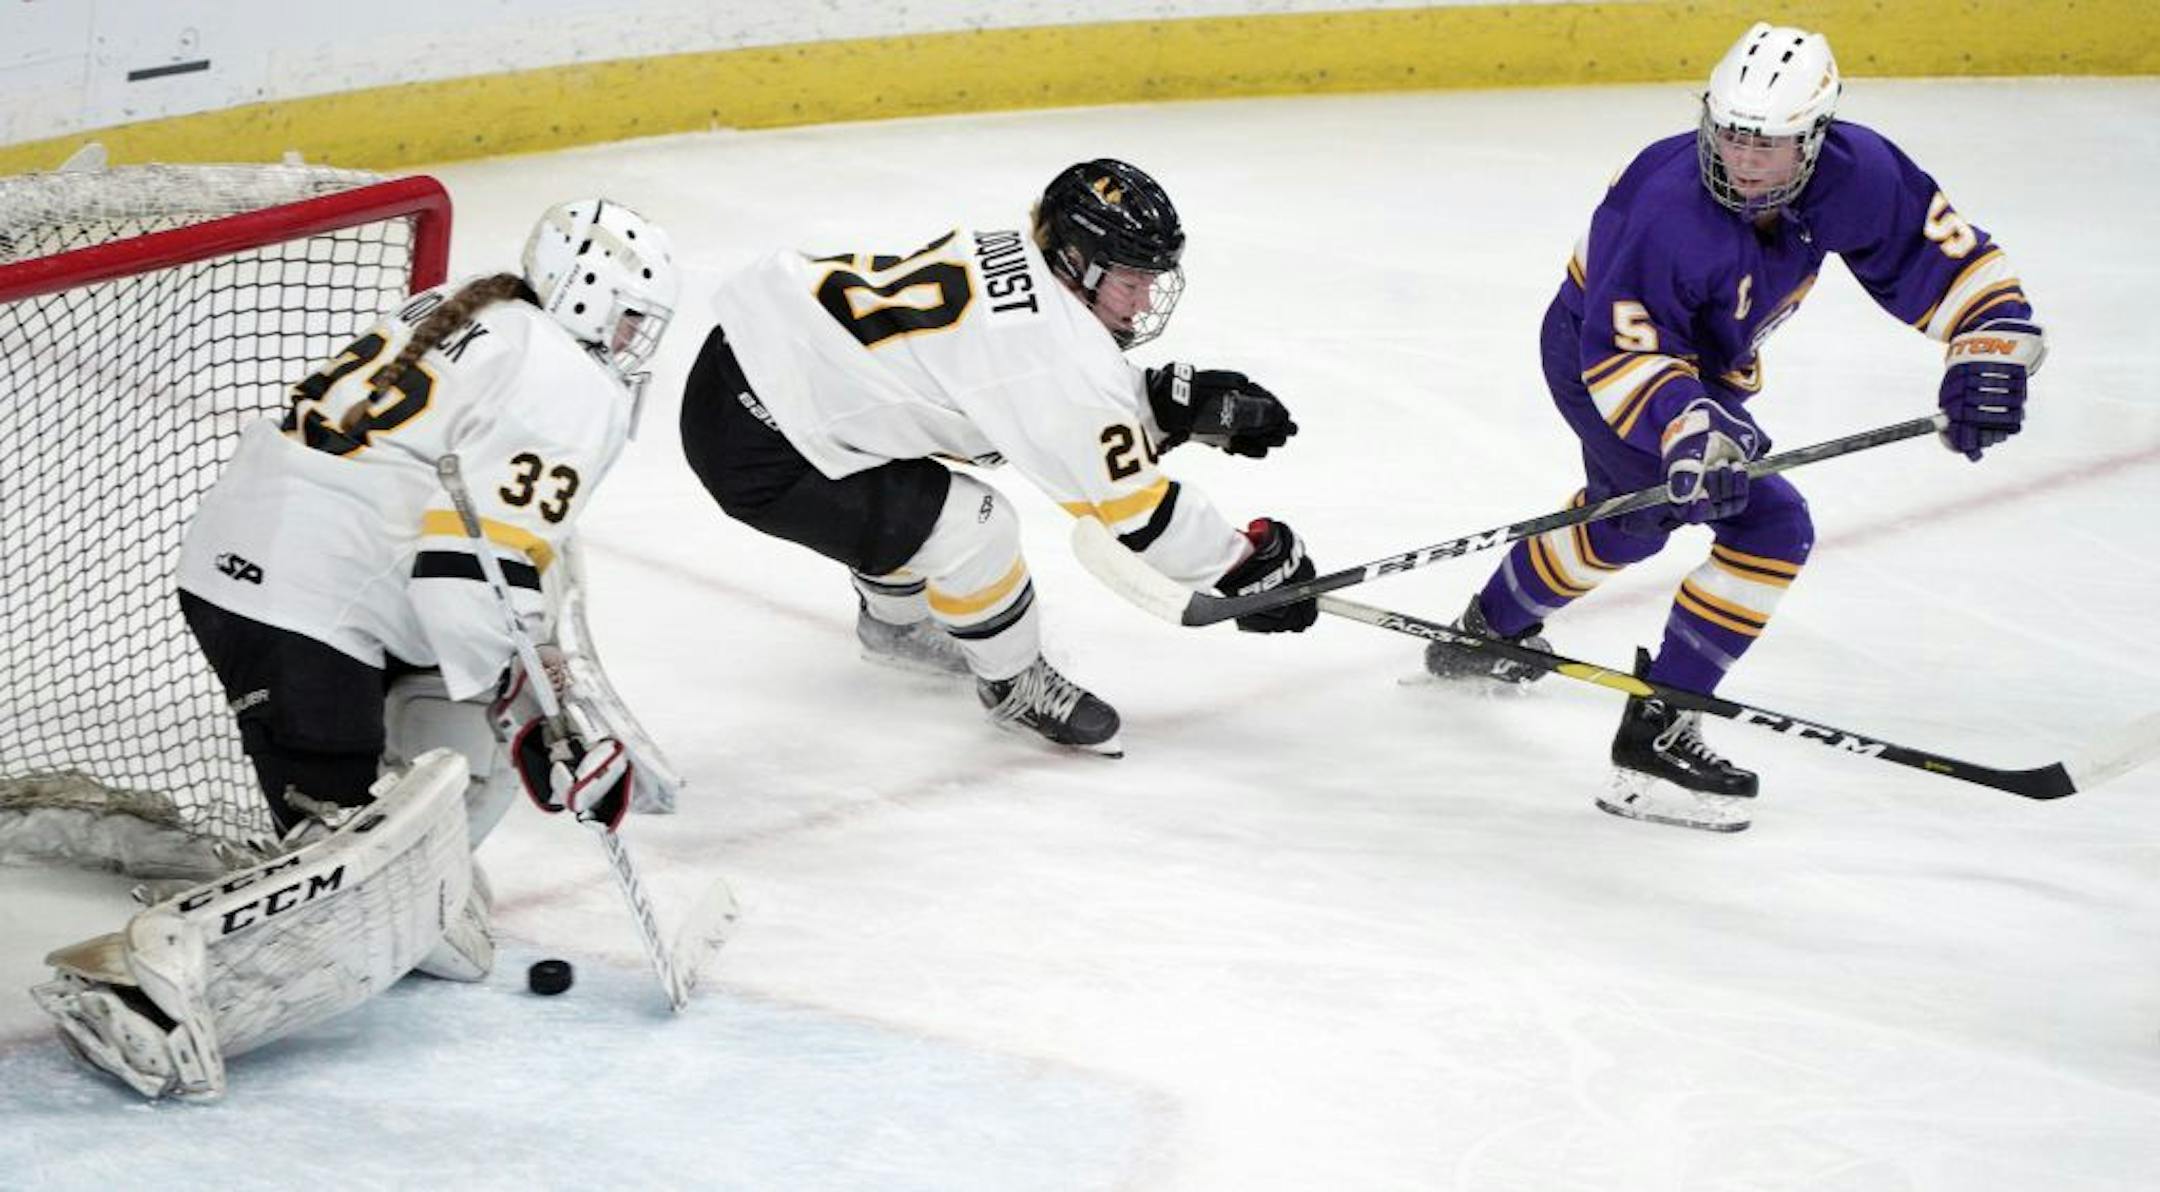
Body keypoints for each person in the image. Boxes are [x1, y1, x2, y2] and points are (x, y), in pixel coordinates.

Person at [32, 198, 681, 1100]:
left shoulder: (477, 307)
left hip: (264, 570)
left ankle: (417, 885)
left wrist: (529, 708)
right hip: (310, 603)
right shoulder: (567, 380)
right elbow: (468, 575)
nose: (635, 342)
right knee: (352, 869)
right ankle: (151, 977)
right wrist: (536, 713)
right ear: (582, 295)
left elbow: (459, 566)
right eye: (630, 318)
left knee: (443, 770)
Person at [1419, 22, 2044, 833]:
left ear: (1816, 139)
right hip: (1600, 358)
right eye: (1733, 134)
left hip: (1705, 375)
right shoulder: (1663, 203)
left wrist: (1987, 346)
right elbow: (1624, 357)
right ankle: (1661, 732)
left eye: (1772, 144)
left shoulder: (1862, 175)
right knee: (1770, 524)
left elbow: (1958, 267)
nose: (1746, 160)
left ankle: (1485, 633)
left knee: (1633, 521)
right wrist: (1695, 431)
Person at [682, 158, 1317, 756]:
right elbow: (1137, 514)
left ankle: (894, 629)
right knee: (975, 526)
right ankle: (1013, 684)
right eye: (1131, 281)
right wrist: (1243, 564)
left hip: (755, 367)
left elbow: (1026, 377)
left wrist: (1165, 401)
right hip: (761, 443)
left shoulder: (1018, 261)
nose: (1145, 302)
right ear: (1077, 262)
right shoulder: (1052, 362)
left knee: (912, 499)